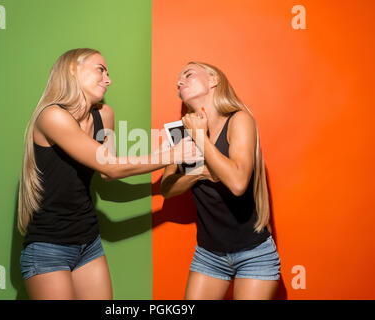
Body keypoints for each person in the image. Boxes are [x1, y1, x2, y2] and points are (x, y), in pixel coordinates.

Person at [17, 48, 200, 300]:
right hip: (48, 247)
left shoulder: (104, 114)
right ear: (73, 70)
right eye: (100, 70)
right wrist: (171, 155)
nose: (108, 79)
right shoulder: (52, 116)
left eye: (108, 73)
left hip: (88, 242)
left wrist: (164, 151)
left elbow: (108, 174)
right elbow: (109, 165)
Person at [160, 61, 281, 300]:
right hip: (209, 254)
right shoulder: (179, 131)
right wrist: (202, 172)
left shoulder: (239, 119)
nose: (179, 82)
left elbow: (237, 184)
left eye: (188, 74)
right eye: (178, 81)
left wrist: (199, 139)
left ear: (213, 80)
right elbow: (167, 188)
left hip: (254, 253)